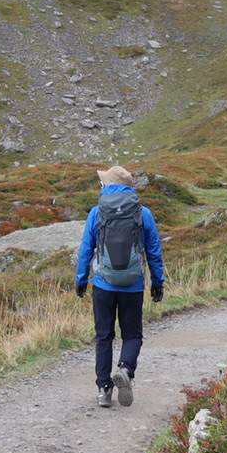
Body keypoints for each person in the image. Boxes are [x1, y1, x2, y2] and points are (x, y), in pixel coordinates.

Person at [74, 164, 166, 409]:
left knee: (104, 336)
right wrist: (157, 282)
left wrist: (81, 279)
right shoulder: (143, 213)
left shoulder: (97, 212)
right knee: (132, 334)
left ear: (108, 185)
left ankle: (104, 389)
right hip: (133, 284)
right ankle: (126, 369)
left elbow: (86, 248)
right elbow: (154, 250)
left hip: (103, 284)